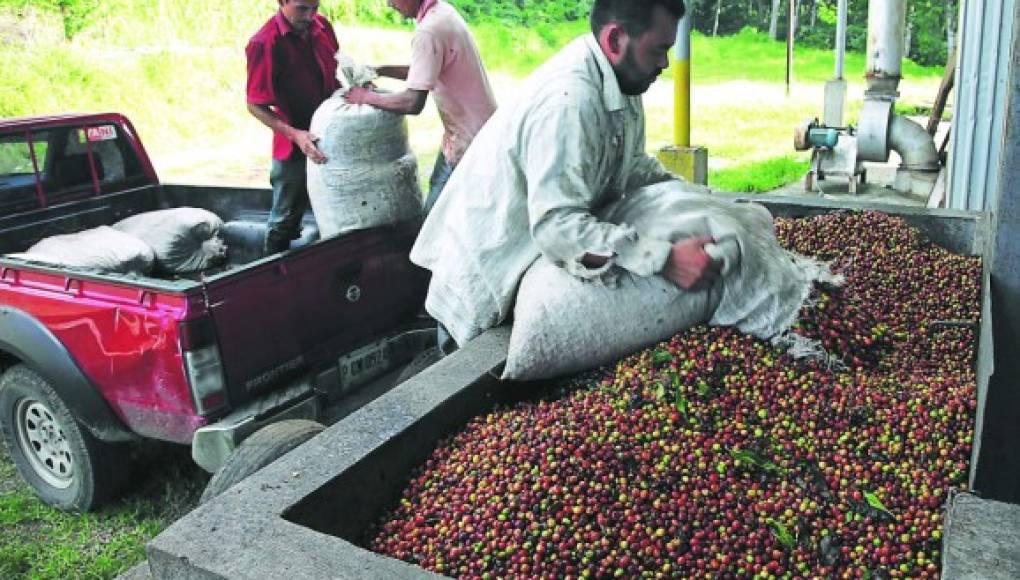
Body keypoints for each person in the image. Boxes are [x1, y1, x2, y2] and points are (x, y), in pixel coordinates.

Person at [409, 0, 720, 349]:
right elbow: (557, 227)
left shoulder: (623, 81)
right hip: (484, 277)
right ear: (615, 40)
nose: (665, 63)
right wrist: (664, 259)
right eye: (659, 50)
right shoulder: (569, 102)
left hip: (522, 265)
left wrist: (697, 199)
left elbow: (632, 164)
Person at [344, 0, 496, 213]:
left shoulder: (429, 31)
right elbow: (426, 67)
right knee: (448, 206)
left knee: (437, 217)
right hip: (477, 132)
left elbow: (412, 102)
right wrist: (380, 70)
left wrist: (364, 97)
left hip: (469, 143)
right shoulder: (442, 11)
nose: (389, 4)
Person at [246, 0, 340, 255]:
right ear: (282, 2)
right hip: (292, 142)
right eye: (302, 8)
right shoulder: (265, 43)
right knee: (285, 217)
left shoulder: (322, 27)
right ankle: (272, 267)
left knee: (338, 205)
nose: (310, 16)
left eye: (315, 7)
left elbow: (334, 72)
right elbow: (254, 104)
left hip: (332, 132)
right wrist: (295, 134)